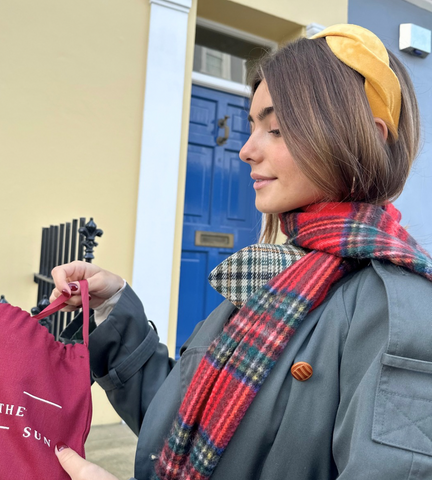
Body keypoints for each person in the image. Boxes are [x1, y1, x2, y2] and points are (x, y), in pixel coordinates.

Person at [51, 24, 432, 480]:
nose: (246, 150)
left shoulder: (397, 308)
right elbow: (191, 427)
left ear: (365, 137)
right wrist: (114, 309)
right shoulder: (279, 275)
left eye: (277, 128)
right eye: (253, 127)